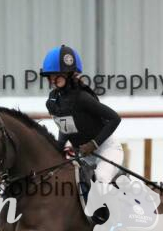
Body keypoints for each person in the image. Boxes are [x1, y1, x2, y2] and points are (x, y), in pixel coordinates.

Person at [40, 45, 124, 186]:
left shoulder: (82, 97)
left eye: (56, 75)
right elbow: (66, 128)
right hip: (84, 155)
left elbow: (115, 118)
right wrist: (58, 147)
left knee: (101, 178)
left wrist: (93, 144)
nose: (53, 79)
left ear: (69, 75)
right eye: (50, 76)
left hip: (106, 149)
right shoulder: (52, 101)